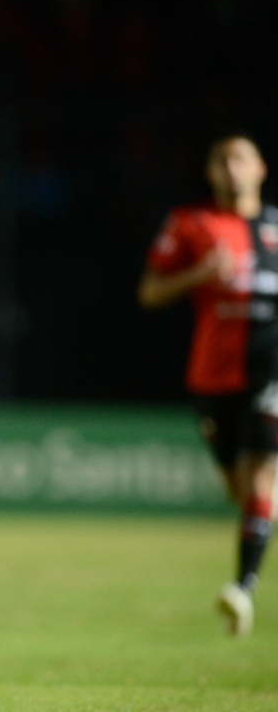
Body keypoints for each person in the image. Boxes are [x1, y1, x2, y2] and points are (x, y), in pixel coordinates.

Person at [138, 129, 277, 638]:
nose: (231, 167)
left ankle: (241, 588)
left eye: (240, 157)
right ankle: (256, 539)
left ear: (261, 168)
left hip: (270, 369)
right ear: (211, 174)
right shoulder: (192, 224)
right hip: (213, 375)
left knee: (262, 475)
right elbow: (150, 292)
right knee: (241, 489)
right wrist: (199, 273)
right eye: (221, 160)